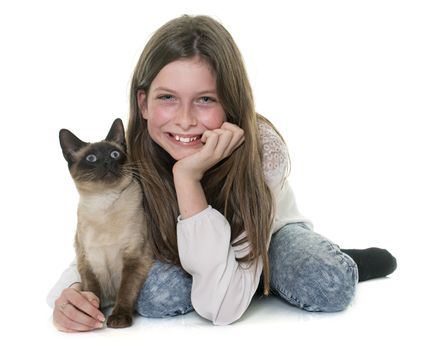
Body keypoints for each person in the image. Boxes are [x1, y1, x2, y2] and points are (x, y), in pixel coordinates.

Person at [48, 15, 397, 331]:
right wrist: (68, 292)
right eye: (167, 97)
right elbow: (101, 240)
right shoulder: (130, 158)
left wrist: (187, 178)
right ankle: (246, 281)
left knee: (324, 281)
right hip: (191, 249)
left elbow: (221, 311)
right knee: (155, 296)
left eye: (205, 100)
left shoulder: (262, 151)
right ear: (143, 103)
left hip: (267, 236)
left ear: (229, 102)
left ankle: (280, 271)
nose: (184, 120)